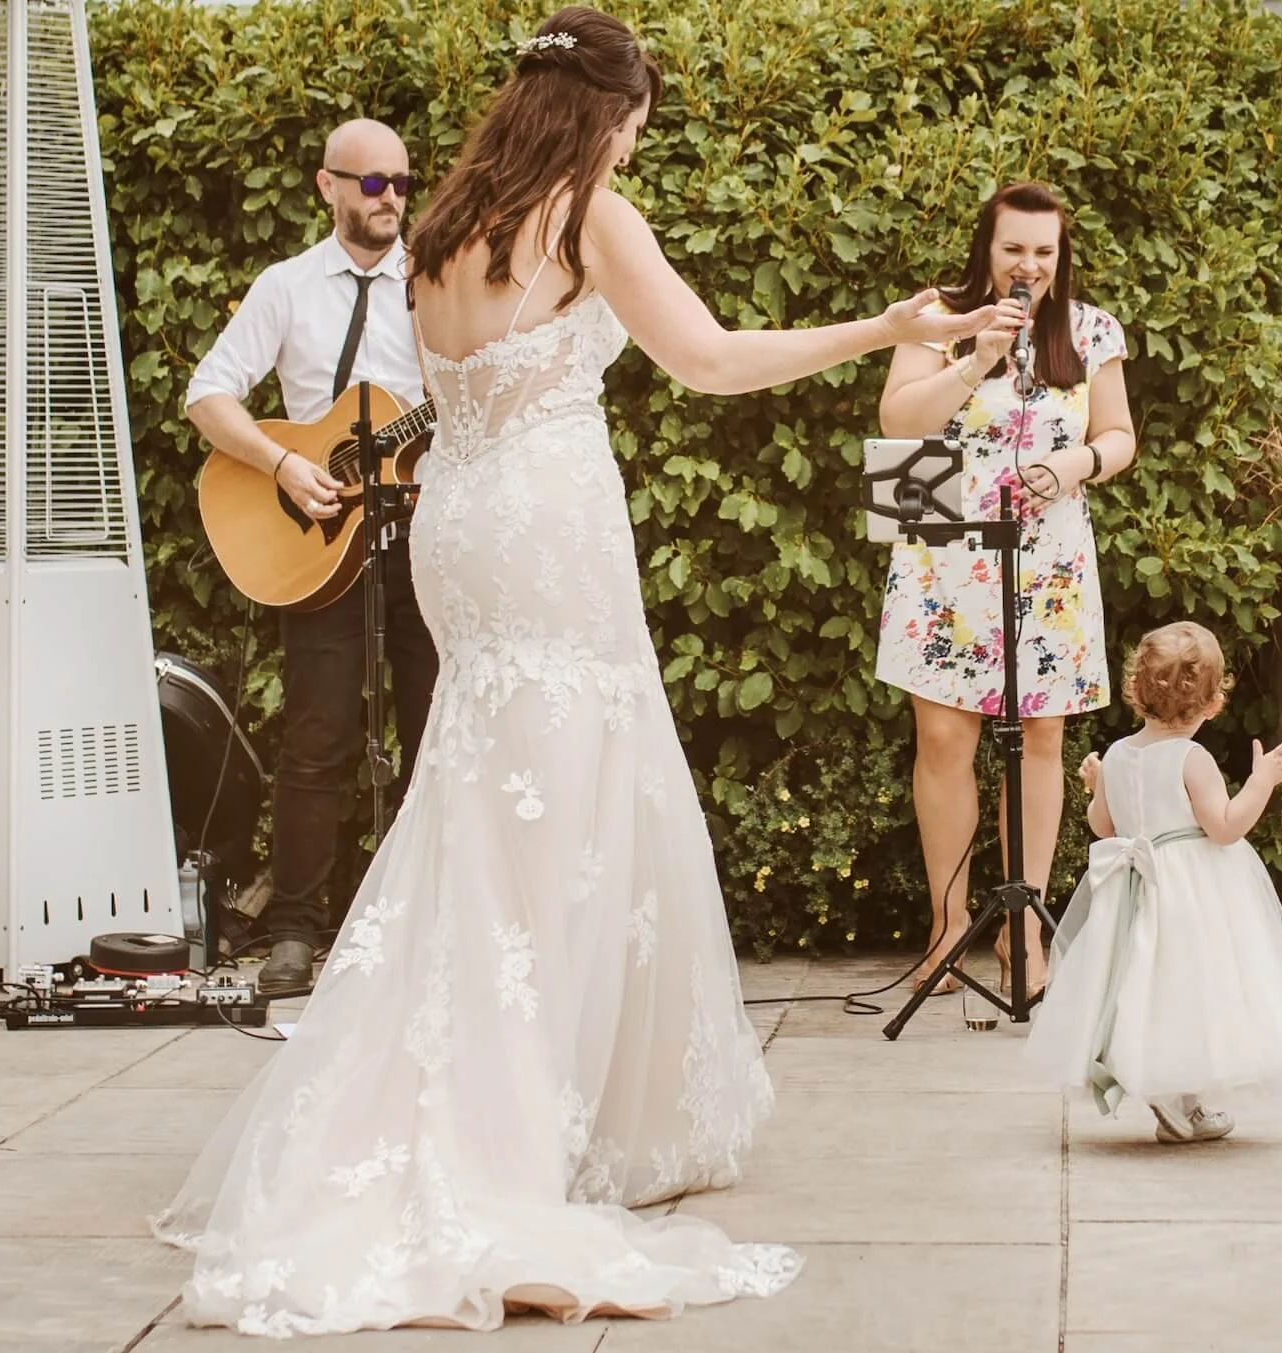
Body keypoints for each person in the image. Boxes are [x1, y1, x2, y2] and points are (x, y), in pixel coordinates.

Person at [151, 6, 999, 1335]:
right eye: (639, 118)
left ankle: (499, 1087)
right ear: (610, 113)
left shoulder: (436, 228)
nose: (636, 139)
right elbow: (709, 362)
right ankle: (506, 1131)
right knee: (560, 823)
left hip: (458, 529)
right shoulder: (585, 209)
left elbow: (446, 389)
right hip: (544, 522)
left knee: (482, 804)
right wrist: (873, 326)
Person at [185, 119, 439, 993]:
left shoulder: (435, 284)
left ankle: (415, 926)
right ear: (326, 185)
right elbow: (207, 395)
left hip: (421, 543)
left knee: (434, 732)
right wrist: (286, 464)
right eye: (371, 184)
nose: (391, 199)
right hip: (320, 547)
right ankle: (295, 928)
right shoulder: (286, 287)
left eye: (402, 182)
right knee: (316, 740)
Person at [875, 181, 1137, 997]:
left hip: (1048, 555)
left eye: (1043, 251)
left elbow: (1119, 436)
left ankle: (1024, 930)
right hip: (941, 544)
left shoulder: (1089, 330)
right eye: (1012, 248)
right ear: (984, 247)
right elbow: (896, 425)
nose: (1028, 265)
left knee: (1042, 740)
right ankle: (947, 928)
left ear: (1060, 257)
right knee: (945, 741)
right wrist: (978, 357)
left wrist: (1075, 463)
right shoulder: (936, 317)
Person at [1023, 621, 1282, 1142]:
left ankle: (1174, 1094)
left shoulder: (1117, 755)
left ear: (1135, 690)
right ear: (1213, 702)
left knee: (1144, 986)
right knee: (1193, 988)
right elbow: (1224, 828)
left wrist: (1097, 786)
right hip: (1188, 891)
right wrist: (1261, 780)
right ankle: (1184, 1101)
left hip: (1134, 889)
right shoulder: (1191, 758)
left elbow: (1103, 827)